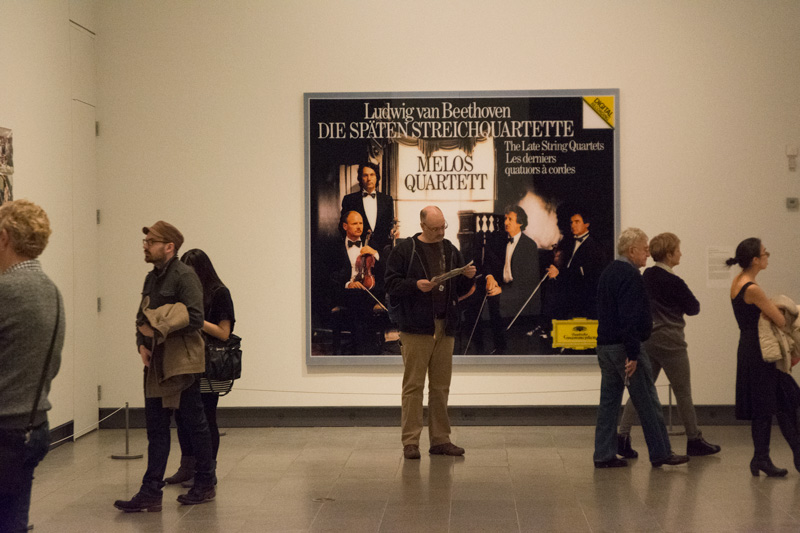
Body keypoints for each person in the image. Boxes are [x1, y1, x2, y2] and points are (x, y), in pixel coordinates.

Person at [114, 221, 216, 512]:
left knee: (195, 424)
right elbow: (140, 317)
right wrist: (141, 344)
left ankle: (205, 483)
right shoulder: (151, 278)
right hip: (156, 362)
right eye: (146, 241)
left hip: (182, 362)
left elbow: (195, 318)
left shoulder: (185, 276)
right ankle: (151, 492)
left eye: (152, 241)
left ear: (169, 247)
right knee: (156, 429)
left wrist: (159, 325)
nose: (145, 245)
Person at [617, 233, 721, 458]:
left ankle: (622, 435)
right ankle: (694, 439)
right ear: (669, 254)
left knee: (640, 390)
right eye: (678, 250)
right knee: (683, 392)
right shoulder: (675, 282)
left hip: (648, 341)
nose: (681, 253)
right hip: (672, 342)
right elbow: (694, 308)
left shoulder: (646, 276)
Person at [385, 206, 476, 459]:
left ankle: (440, 440)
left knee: (440, 386)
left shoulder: (450, 249)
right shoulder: (404, 250)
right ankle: (411, 442)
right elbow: (391, 284)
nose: (440, 232)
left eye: (443, 227)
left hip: (445, 325)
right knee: (413, 386)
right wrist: (415, 285)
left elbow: (459, 288)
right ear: (422, 226)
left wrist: (468, 276)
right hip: (415, 327)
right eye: (435, 228)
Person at [593, 227, 689, 468]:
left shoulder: (609, 272)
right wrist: (633, 353)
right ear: (632, 250)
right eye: (645, 249)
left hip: (605, 346)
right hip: (624, 349)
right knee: (648, 400)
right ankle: (661, 452)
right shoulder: (630, 275)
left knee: (608, 403)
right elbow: (629, 317)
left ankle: (603, 454)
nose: (648, 253)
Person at [0, 199, 65, 533]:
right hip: (33, 426)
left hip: (4, 431)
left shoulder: (6, 290)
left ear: (5, 237)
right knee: (13, 520)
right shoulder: (51, 291)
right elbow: (51, 364)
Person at [728, 238, 800, 477]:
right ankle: (763, 458)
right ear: (755, 260)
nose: (768, 255)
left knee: (778, 402)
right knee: (778, 402)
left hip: (750, 348)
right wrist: (777, 312)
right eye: (764, 253)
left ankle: (763, 458)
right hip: (760, 351)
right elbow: (780, 320)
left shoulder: (738, 282)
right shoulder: (753, 289)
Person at [163, 249, 235, 487]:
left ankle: (206, 470)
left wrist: (194, 319)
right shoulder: (184, 294)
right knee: (181, 416)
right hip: (184, 361)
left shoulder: (219, 293)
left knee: (205, 417)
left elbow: (224, 333)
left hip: (209, 364)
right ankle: (187, 466)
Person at [485, 205, 540, 354]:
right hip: (503, 286)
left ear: (520, 223)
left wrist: (501, 290)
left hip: (520, 291)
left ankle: (506, 349)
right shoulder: (499, 241)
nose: (506, 222)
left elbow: (527, 280)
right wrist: (490, 277)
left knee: (497, 299)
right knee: (486, 297)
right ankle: (497, 348)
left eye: (510, 219)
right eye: (505, 219)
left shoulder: (529, 246)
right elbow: (489, 262)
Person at [330, 210, 385, 354]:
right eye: (354, 223)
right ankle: (367, 348)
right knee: (357, 296)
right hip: (347, 292)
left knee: (362, 297)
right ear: (345, 226)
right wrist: (349, 284)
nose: (359, 226)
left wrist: (375, 254)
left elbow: (385, 268)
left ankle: (359, 347)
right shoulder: (335, 247)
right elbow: (331, 275)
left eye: (361, 223)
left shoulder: (371, 244)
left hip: (369, 291)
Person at [547, 210, 604, 319]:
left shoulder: (594, 246)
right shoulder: (569, 243)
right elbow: (568, 265)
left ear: (586, 224)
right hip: (567, 293)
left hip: (582, 298)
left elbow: (586, 274)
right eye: (571, 222)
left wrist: (559, 273)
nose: (573, 225)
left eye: (577, 222)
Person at [341, 162, 395, 251]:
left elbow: (390, 224)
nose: (369, 178)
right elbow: (342, 226)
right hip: (357, 249)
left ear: (377, 177)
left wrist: (393, 232)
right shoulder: (349, 200)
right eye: (365, 175)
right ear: (360, 178)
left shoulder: (387, 200)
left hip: (381, 251)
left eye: (372, 175)